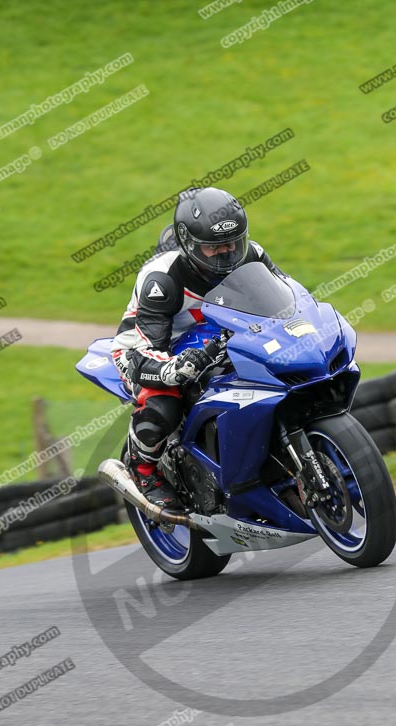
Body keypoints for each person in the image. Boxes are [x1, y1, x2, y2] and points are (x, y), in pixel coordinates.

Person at [111, 187, 281, 509]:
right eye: (214, 247)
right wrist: (175, 368)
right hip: (148, 349)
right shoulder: (162, 278)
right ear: (189, 244)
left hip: (218, 335)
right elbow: (146, 349)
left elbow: (289, 301)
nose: (227, 253)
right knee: (165, 402)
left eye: (233, 243)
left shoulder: (253, 255)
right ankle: (142, 469)